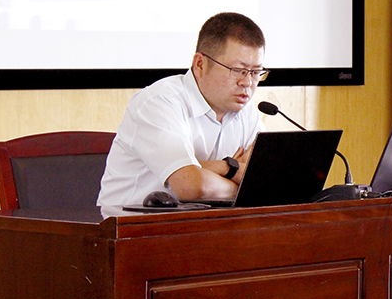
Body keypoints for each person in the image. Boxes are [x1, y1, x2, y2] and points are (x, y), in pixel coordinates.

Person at [97, 12, 269, 207]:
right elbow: (193, 187)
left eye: (256, 72)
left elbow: (270, 180)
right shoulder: (159, 102)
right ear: (200, 64)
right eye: (238, 70)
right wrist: (233, 171)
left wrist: (212, 171)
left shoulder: (246, 112)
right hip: (133, 223)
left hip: (205, 222)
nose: (247, 82)